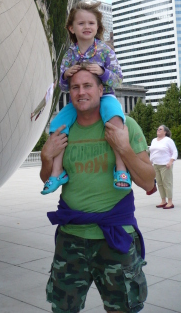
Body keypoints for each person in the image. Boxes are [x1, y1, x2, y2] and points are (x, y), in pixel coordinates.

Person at [41, 69, 155, 313]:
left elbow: (148, 182)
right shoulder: (62, 130)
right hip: (71, 238)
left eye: (88, 86)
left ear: (101, 90)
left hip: (115, 238)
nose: (81, 92)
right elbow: (47, 178)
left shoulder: (125, 126)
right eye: (75, 87)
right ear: (69, 92)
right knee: (62, 309)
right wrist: (45, 157)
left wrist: (123, 149)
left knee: (124, 309)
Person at [42, 1, 128, 195]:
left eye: (91, 23)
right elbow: (62, 85)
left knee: (115, 120)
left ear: (97, 27)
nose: (87, 27)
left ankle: (121, 169)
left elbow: (119, 80)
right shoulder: (69, 54)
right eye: (81, 23)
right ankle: (57, 173)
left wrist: (103, 72)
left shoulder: (105, 50)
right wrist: (66, 75)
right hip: (78, 102)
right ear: (72, 28)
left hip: (105, 97)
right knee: (57, 125)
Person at [150, 125, 178, 209]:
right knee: (160, 183)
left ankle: (170, 202)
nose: (158, 130)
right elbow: (152, 152)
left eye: (160, 129)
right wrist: (150, 162)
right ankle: (163, 201)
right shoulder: (154, 140)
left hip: (165, 165)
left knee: (167, 183)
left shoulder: (168, 140)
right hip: (156, 165)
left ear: (165, 132)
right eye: (157, 129)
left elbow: (174, 152)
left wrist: (170, 162)